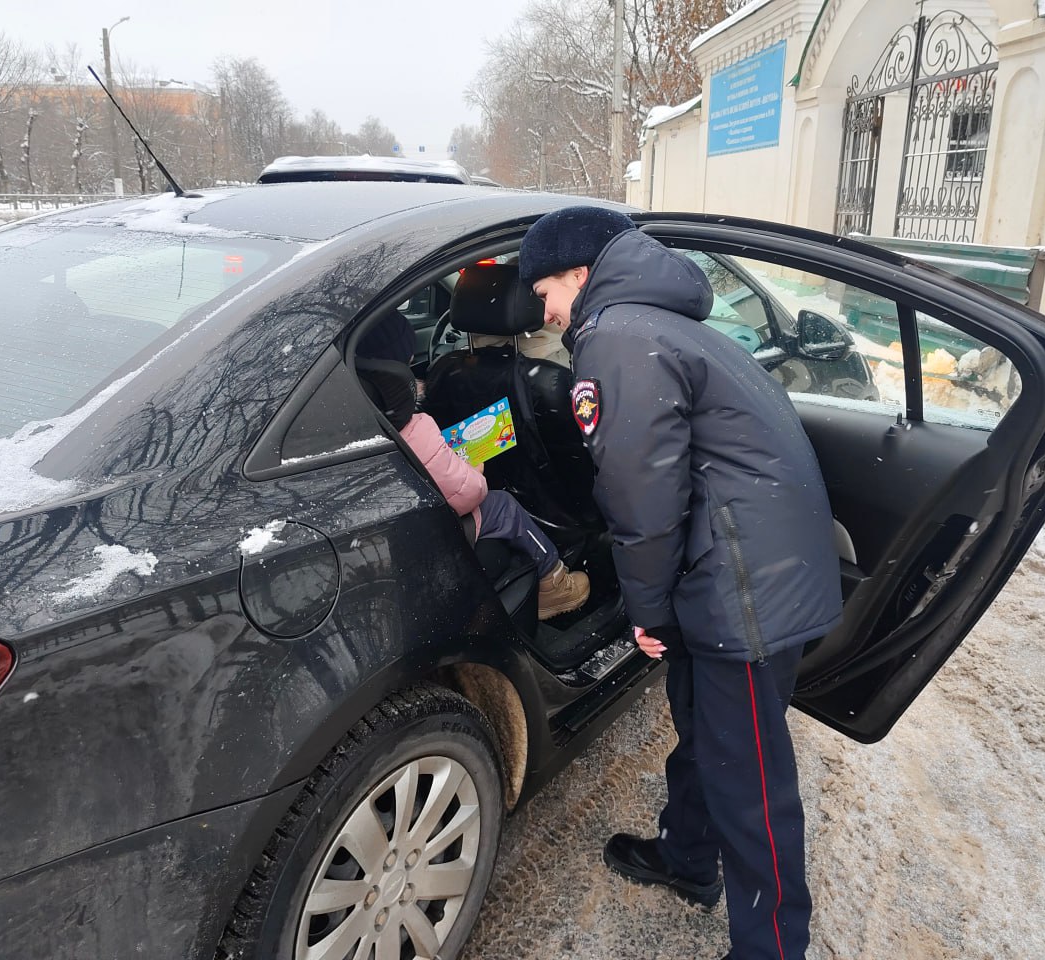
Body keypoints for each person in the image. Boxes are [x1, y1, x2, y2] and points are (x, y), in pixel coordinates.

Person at [519, 206, 843, 960]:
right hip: (742, 569)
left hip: (745, 590)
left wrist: (648, 610)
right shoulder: (663, 324)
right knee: (707, 734)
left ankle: (772, 949)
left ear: (578, 271)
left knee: (751, 782)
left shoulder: (618, 337)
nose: (547, 312)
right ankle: (690, 857)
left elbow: (643, 497)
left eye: (545, 294)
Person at [357, 311, 590, 620]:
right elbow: (470, 494)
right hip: (443, 527)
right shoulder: (414, 428)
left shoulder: (368, 414)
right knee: (503, 505)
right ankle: (555, 584)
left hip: (399, 529)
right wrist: (476, 473)